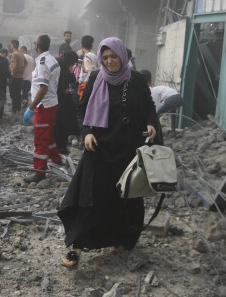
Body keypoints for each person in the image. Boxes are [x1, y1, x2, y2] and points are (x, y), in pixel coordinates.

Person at [57, 37, 158, 269]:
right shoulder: (96, 77)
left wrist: (151, 122)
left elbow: (149, 104)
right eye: (105, 57)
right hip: (100, 146)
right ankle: (77, 246)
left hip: (129, 148)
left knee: (126, 197)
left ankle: (124, 238)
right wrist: (86, 133)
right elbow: (81, 110)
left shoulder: (136, 80)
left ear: (122, 56)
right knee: (91, 196)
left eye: (114, 56)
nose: (110, 61)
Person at [23, 34, 61, 184]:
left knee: (40, 139)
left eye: (35, 43)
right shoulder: (51, 59)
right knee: (48, 134)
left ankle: (40, 171)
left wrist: (31, 108)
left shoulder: (43, 62)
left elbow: (44, 88)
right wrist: (32, 91)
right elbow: (46, 84)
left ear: (37, 46)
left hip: (43, 106)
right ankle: (56, 158)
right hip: (51, 104)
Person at [54, 50, 80, 155]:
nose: (73, 65)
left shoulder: (63, 65)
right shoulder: (61, 66)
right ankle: (60, 147)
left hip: (61, 100)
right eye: (72, 63)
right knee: (61, 125)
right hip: (60, 100)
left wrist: (70, 70)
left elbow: (72, 79)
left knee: (61, 125)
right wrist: (68, 90)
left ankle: (60, 147)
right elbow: (62, 87)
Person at [77, 35, 99, 99]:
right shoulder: (94, 55)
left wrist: (85, 83)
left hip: (85, 86)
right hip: (92, 84)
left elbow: (90, 72)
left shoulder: (87, 57)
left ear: (81, 45)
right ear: (91, 45)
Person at [9, 39, 27, 117]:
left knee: (13, 94)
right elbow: (26, 63)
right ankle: (18, 110)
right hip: (20, 76)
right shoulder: (21, 53)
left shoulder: (14, 54)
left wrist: (12, 74)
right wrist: (22, 70)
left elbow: (15, 65)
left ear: (13, 45)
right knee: (18, 94)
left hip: (15, 76)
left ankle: (14, 110)